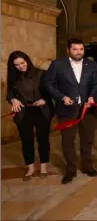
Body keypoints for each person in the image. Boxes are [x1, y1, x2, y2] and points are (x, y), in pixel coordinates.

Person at [43, 38, 97, 184]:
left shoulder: (92, 64)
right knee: (68, 141)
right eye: (75, 49)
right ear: (68, 50)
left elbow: (95, 84)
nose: (78, 52)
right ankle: (71, 170)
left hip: (87, 110)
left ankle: (87, 166)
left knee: (87, 140)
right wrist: (61, 97)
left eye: (81, 49)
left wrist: (92, 97)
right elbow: (48, 84)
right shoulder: (57, 64)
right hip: (67, 110)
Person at [6, 51, 54, 181]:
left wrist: (44, 99)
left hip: (41, 110)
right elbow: (9, 94)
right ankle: (31, 168)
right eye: (17, 65)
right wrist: (13, 100)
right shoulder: (13, 78)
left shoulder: (41, 73)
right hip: (23, 111)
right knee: (26, 141)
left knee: (42, 139)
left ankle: (43, 166)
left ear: (27, 60)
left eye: (22, 62)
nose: (21, 66)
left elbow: (51, 91)